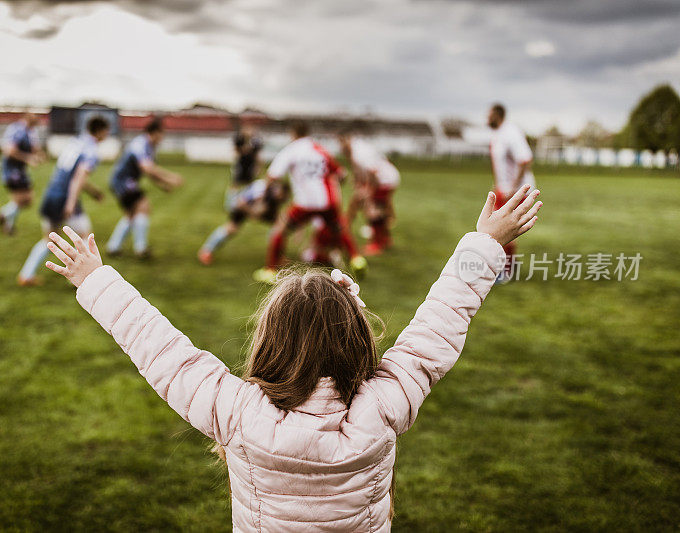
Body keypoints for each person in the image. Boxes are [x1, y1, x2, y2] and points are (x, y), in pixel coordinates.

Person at [43, 185, 542, 532]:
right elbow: (438, 325)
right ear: (357, 338)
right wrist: (485, 243)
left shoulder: (238, 413)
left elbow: (163, 352)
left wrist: (96, 279)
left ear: (269, 342)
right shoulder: (383, 406)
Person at [253, 120, 366, 283]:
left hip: (306, 202)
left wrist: (263, 195)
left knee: (280, 229)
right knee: (340, 229)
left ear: (293, 134)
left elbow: (273, 175)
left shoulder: (292, 150)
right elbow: (342, 174)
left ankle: (270, 270)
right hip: (328, 201)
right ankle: (357, 260)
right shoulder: (319, 149)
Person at [16, 116, 109, 286]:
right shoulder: (91, 150)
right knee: (85, 235)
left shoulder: (76, 142)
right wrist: (71, 202)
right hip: (65, 197)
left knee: (48, 239)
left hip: (51, 193)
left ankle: (26, 275)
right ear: (100, 131)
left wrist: (93, 191)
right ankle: (85, 281)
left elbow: (71, 173)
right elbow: (79, 176)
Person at [106, 117, 183, 258]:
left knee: (132, 214)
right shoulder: (140, 144)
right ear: (154, 133)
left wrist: (162, 185)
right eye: (161, 134)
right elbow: (147, 168)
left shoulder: (149, 147)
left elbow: (149, 171)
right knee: (143, 206)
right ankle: (140, 248)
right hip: (123, 182)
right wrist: (170, 177)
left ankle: (114, 247)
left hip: (124, 181)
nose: (162, 138)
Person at [487, 103, 537, 283]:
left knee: (502, 230)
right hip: (504, 189)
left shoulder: (511, 132)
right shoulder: (497, 135)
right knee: (494, 229)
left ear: (498, 115)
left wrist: (514, 188)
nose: (487, 119)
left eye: (489, 115)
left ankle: (505, 271)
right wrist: (498, 184)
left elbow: (525, 160)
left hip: (516, 191)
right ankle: (503, 268)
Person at [197, 179, 289, 265]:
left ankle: (277, 256)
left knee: (281, 225)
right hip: (241, 207)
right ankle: (206, 251)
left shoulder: (278, 192)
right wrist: (252, 212)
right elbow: (240, 203)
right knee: (231, 228)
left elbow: (272, 210)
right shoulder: (260, 187)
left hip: (257, 210)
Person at [339, 131, 400, 255]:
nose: (340, 147)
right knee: (377, 208)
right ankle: (386, 240)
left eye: (341, 142)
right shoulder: (357, 147)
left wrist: (369, 190)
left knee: (372, 209)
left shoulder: (358, 153)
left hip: (383, 180)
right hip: (387, 177)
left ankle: (377, 244)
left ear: (347, 140)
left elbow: (372, 172)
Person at [0, 112, 44, 235]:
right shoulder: (17, 129)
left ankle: (6, 219)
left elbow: (34, 147)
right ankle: (5, 217)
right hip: (11, 170)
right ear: (28, 118)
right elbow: (9, 150)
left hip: (20, 170)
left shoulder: (29, 131)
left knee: (25, 200)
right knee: (23, 199)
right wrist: (28, 158)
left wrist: (39, 155)